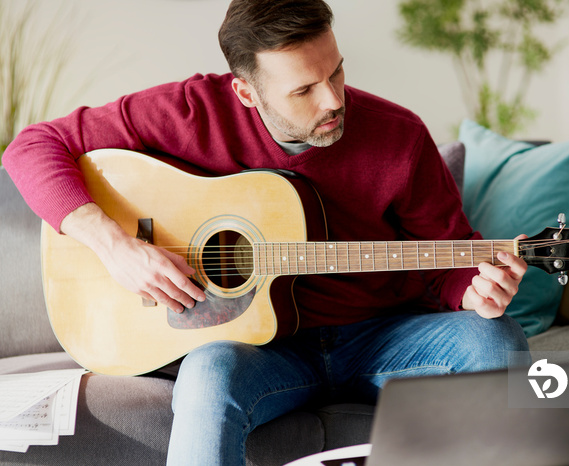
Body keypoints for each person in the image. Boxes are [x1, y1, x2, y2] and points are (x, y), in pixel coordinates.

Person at [4, 1, 530, 464]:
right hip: (260, 349)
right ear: (245, 92)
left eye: (337, 73)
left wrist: (476, 290)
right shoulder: (188, 112)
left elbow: (450, 260)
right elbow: (31, 146)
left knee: (496, 339)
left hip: (382, 337)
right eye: (303, 89)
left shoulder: (399, 135)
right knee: (209, 375)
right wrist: (114, 246)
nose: (333, 101)